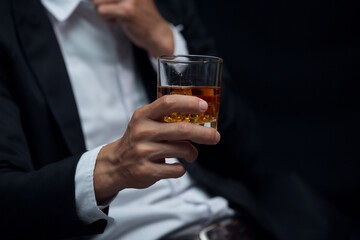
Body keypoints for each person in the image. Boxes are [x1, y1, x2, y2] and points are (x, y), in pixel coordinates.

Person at [0, 0, 256, 239]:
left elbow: (244, 154)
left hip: (238, 223)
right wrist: (109, 169)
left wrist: (167, 43)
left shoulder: (164, 6)